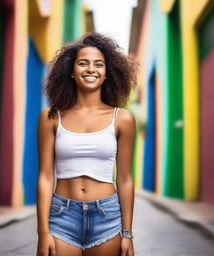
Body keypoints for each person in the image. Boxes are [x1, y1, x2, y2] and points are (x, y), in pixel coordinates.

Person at [36, 32, 137, 256]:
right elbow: (45, 176)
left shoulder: (123, 119)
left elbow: (125, 178)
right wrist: (43, 232)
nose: (91, 69)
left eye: (98, 64)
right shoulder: (51, 117)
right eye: (83, 63)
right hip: (62, 216)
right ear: (71, 72)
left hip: (107, 216)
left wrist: (127, 233)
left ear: (106, 73)